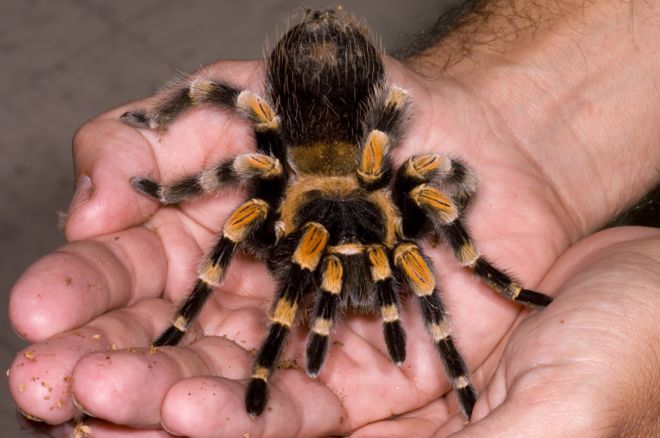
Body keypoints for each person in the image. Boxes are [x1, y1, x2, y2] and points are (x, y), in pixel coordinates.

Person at [8, 0, 660, 436]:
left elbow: (439, 185)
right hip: (320, 169)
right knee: (256, 142)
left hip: (355, 175)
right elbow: (240, 170)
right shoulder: (291, 195)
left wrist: (499, 279)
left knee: (416, 204)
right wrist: (179, 193)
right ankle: (240, 350)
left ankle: (477, 320)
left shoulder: (391, 197)